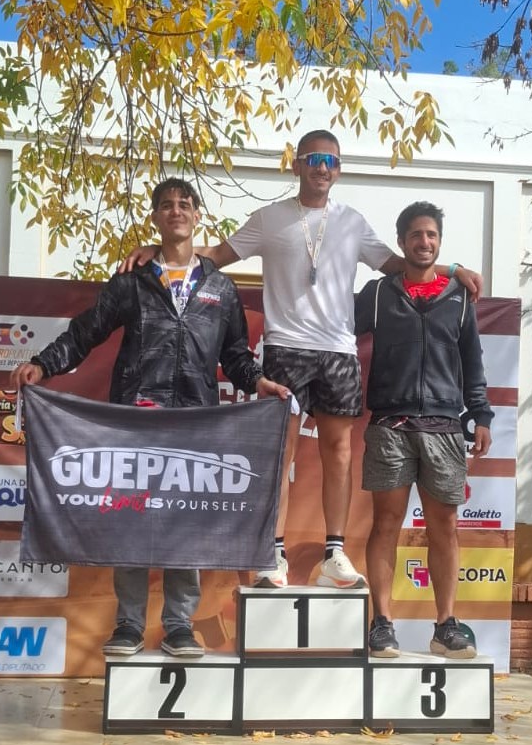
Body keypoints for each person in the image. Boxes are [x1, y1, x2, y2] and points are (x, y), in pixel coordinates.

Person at [120, 131, 482, 590]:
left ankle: (335, 554)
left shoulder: (352, 222)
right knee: (281, 454)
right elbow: (216, 256)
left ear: (339, 170)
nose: (321, 168)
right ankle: (273, 554)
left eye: (330, 161)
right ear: (297, 165)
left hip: (338, 351)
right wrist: (159, 251)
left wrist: (453, 269)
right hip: (286, 347)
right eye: (313, 159)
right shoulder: (270, 218)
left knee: (339, 452)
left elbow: (399, 263)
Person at [12, 178, 288, 659]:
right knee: (132, 517)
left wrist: (258, 381)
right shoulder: (131, 281)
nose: (176, 211)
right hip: (136, 418)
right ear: (156, 217)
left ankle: (179, 625)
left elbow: (236, 355)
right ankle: (129, 624)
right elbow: (86, 332)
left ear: (197, 216)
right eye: (166, 205)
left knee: (188, 520)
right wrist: (43, 363)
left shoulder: (220, 287)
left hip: (196, 420)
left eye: (184, 204)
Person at [355, 201, 493, 659]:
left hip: (444, 427)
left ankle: (445, 625)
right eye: (416, 234)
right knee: (386, 524)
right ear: (402, 242)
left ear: (439, 242)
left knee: (445, 527)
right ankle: (382, 624)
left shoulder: (459, 297)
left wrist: (482, 414)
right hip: (390, 425)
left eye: (431, 234)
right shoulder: (378, 294)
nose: (424, 241)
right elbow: (335, 328)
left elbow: (472, 362)